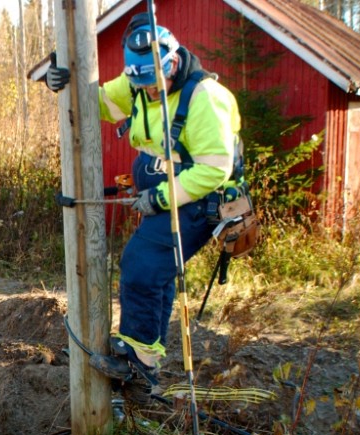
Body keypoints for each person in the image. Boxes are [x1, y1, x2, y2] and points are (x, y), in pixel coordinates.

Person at [44, 14, 244, 404]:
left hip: (199, 199)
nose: (149, 92)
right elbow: (97, 104)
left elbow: (214, 169)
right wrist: (63, 82)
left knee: (141, 265)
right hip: (167, 194)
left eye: (154, 84)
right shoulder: (138, 85)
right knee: (157, 276)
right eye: (141, 85)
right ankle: (143, 360)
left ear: (170, 64)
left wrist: (162, 197)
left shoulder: (205, 98)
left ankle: (138, 363)